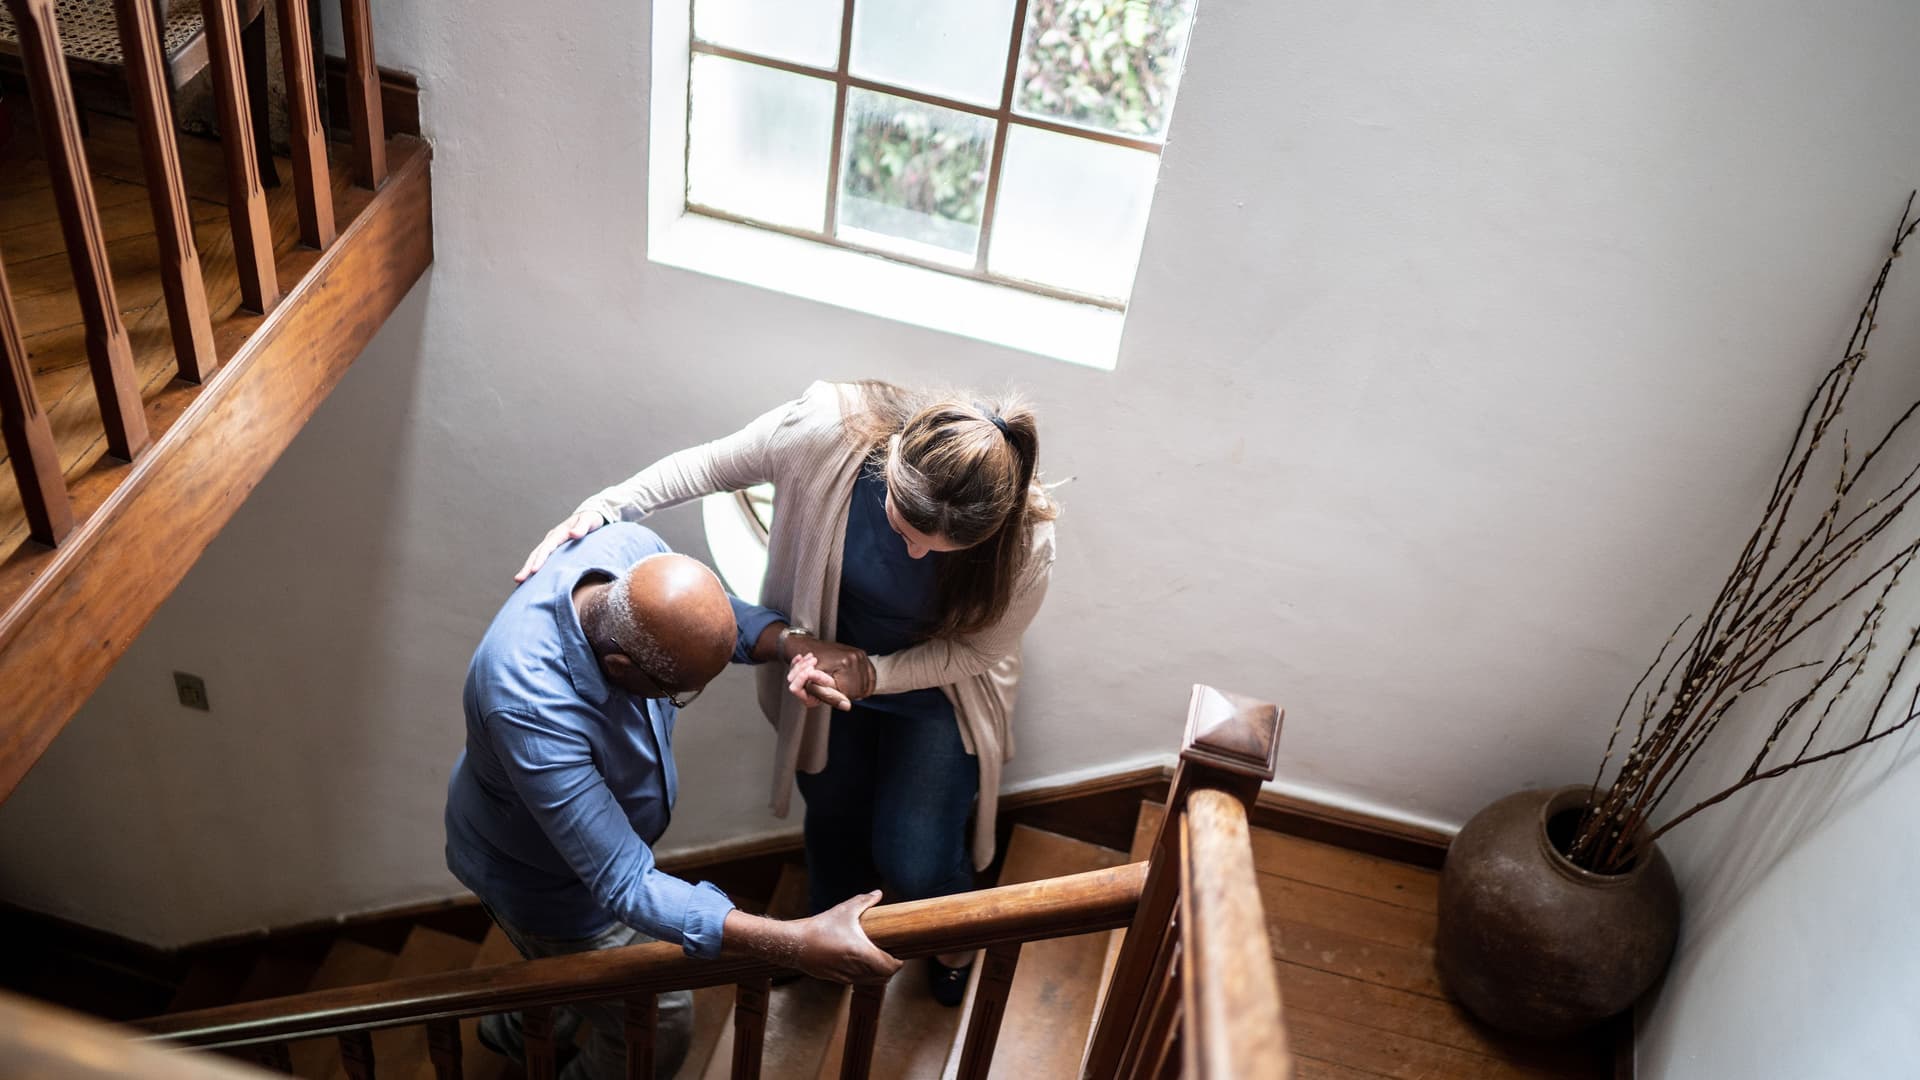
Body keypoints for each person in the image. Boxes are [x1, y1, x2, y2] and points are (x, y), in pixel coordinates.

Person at [515, 381, 1056, 1005]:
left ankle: (953, 940)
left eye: (937, 551)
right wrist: (608, 506)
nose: (912, 553)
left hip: (940, 689)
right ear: (892, 462)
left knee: (916, 851)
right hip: (826, 667)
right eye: (904, 529)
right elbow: (710, 464)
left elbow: (978, 651)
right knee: (831, 809)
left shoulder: (1027, 543)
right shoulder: (825, 430)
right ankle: (821, 932)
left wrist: (874, 674)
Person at [445, 522, 901, 1080]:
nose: (674, 705)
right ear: (619, 668)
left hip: (573, 853)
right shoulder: (528, 704)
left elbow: (709, 619)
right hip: (543, 882)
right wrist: (791, 941)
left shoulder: (631, 550)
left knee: (564, 988)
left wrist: (793, 644)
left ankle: (515, 1032)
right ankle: (531, 1038)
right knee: (657, 1024)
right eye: (674, 693)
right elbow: (624, 882)